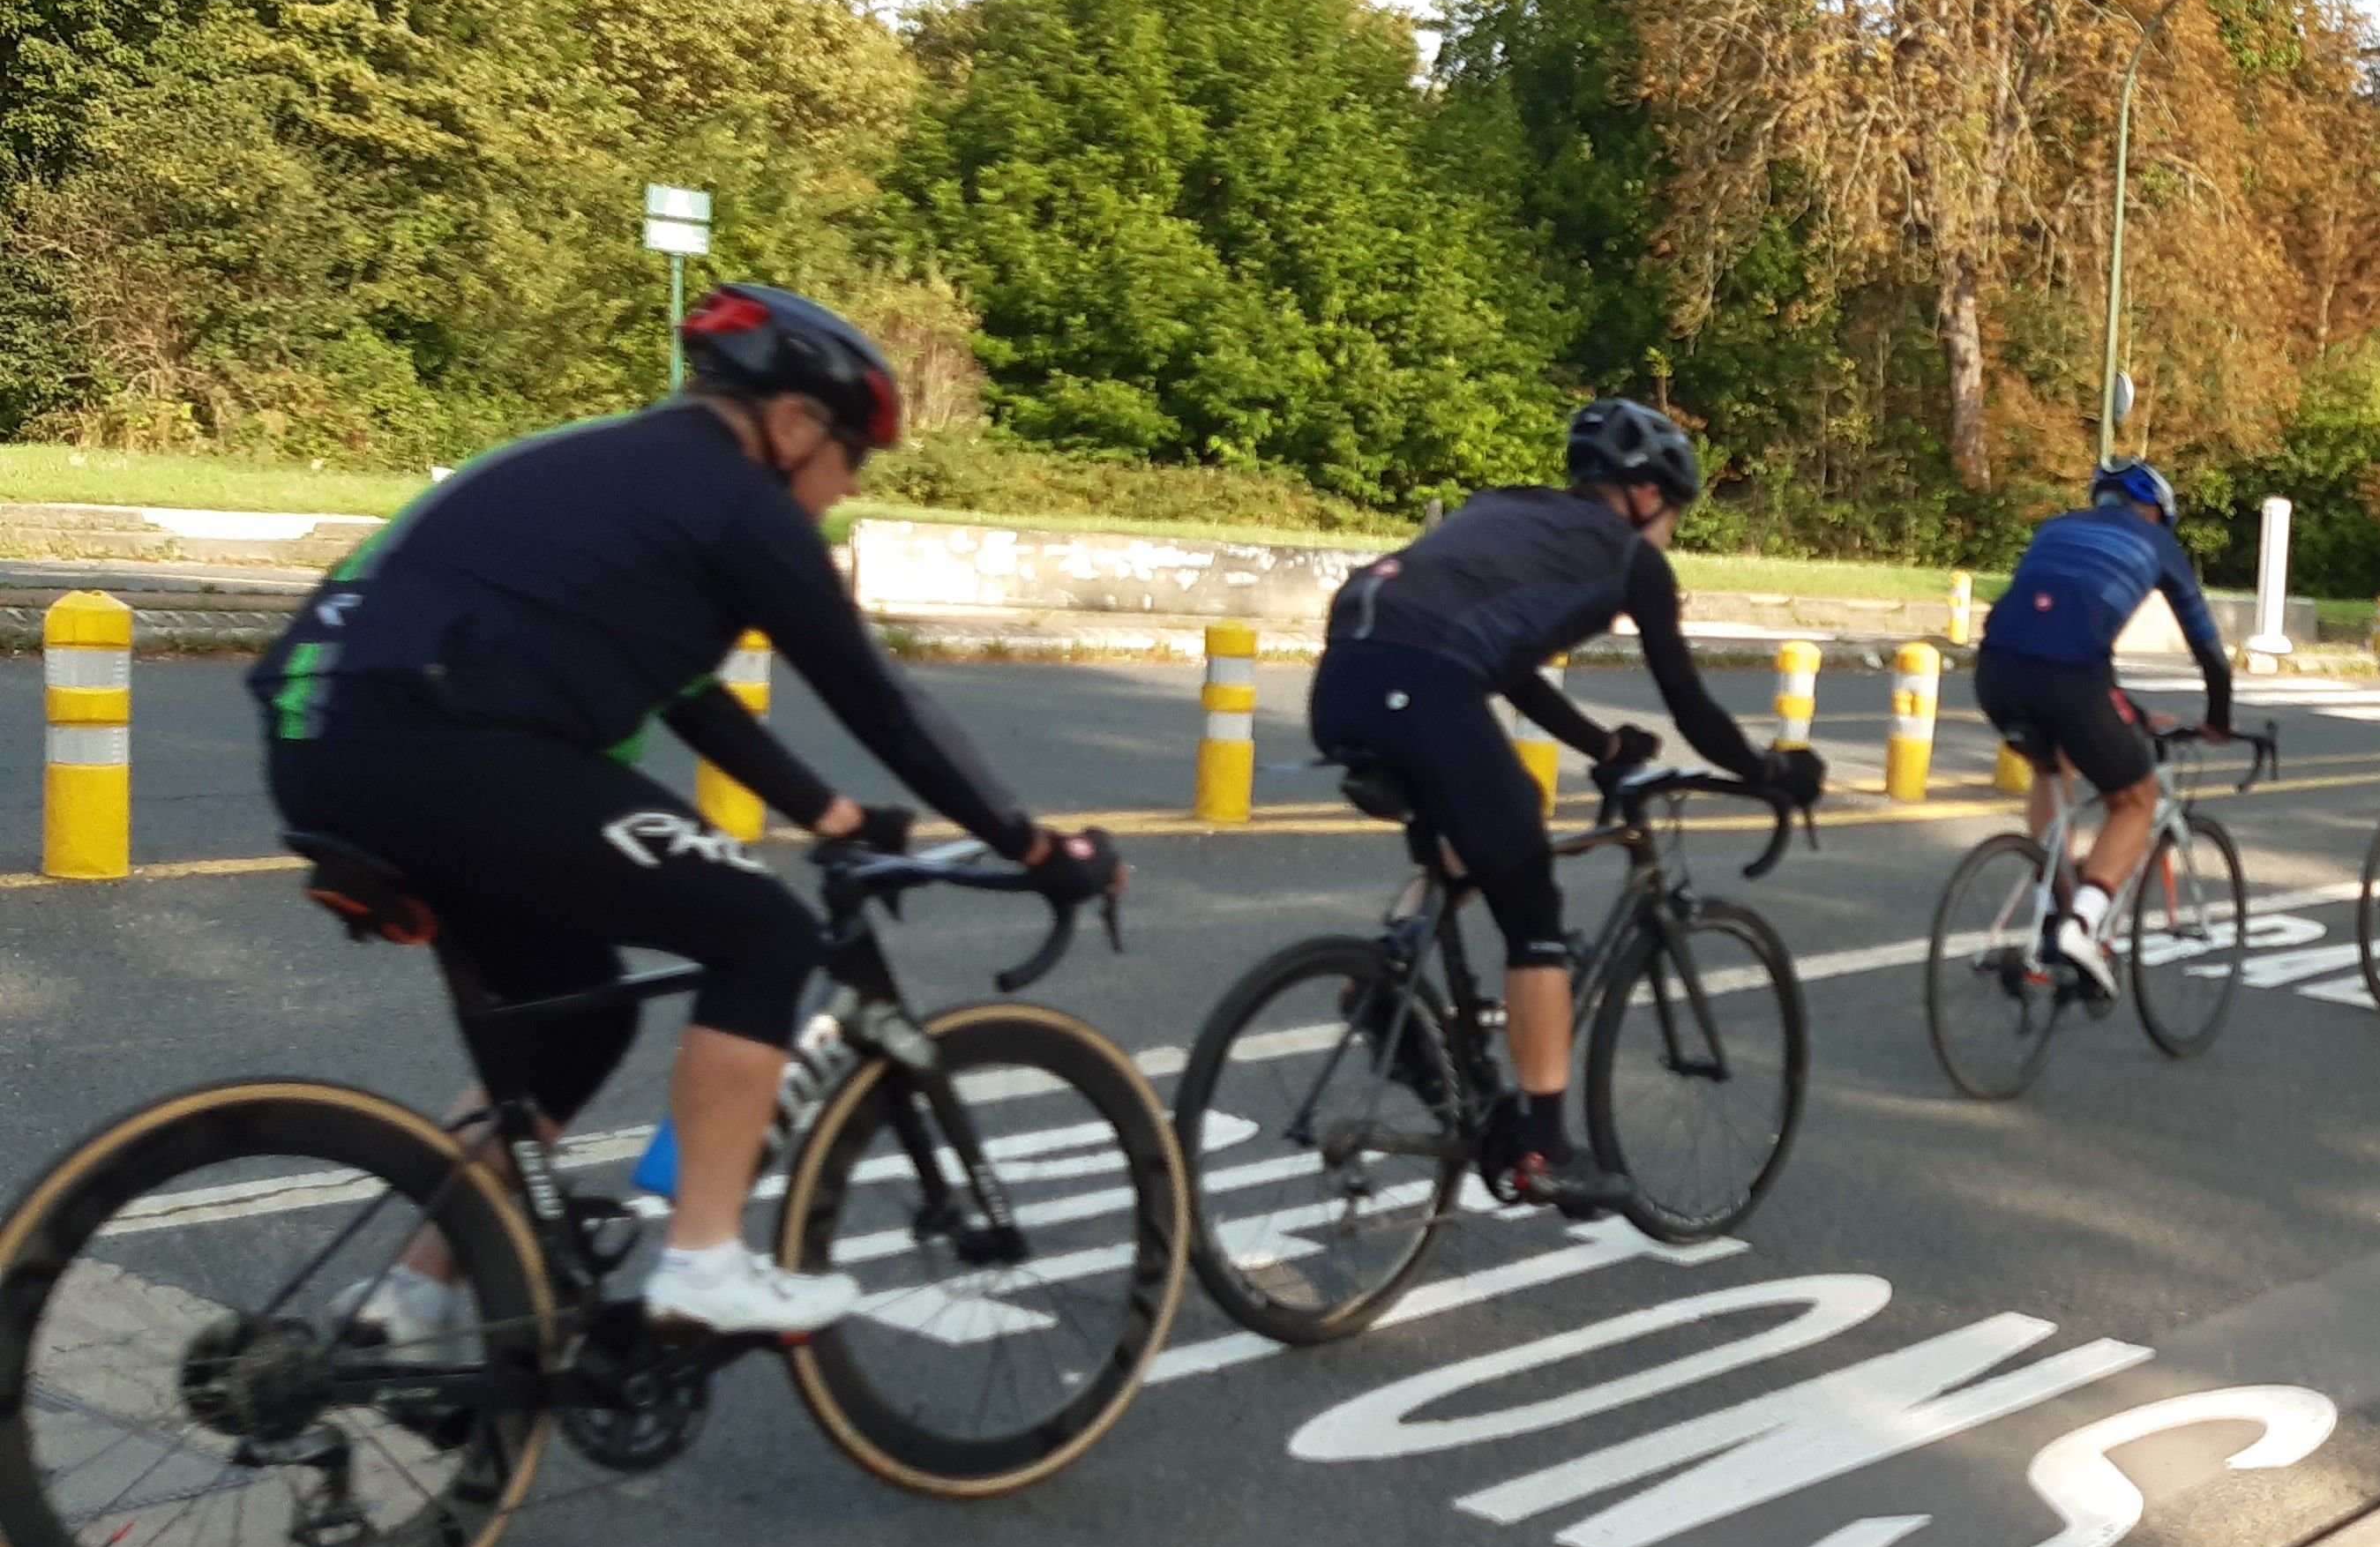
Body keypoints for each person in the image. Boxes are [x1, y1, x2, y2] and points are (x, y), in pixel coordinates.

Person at [251, 284, 1124, 1340]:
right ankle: (705, 1262)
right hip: (455, 752)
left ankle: (410, 1291)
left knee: (578, 1014)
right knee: (763, 932)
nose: (843, 491)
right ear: (795, 425)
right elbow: (885, 703)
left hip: (324, 744)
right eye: (852, 461)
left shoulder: (606, 464)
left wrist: (830, 813)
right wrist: (1034, 847)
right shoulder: (739, 505)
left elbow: (685, 690)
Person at [1309, 399, 1821, 1211]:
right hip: (1423, 685)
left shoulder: (1505, 511)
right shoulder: (1631, 559)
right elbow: (1689, 706)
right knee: (1534, 905)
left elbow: (1505, 661)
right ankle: (1543, 1149)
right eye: (1675, 517)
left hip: (1345, 674)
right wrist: (1768, 771)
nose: (1669, 535)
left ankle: (1397, 963)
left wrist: (1602, 746)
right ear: (1649, 497)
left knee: (1491, 817)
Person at [1972, 458, 2234, 999]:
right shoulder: (2158, 544)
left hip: (1996, 671)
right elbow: (2208, 649)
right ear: (2157, 511)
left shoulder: (2056, 528)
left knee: (2051, 768)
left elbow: (2058, 632)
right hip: (2070, 678)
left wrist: (2130, 713)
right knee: (2134, 801)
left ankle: (2054, 898)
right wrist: (2217, 720)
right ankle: (2081, 926)